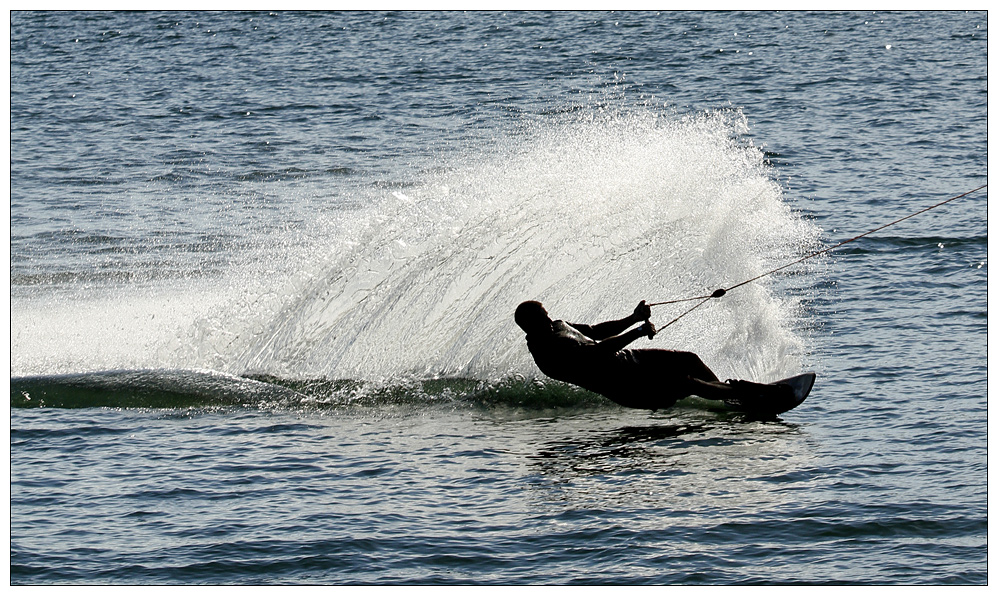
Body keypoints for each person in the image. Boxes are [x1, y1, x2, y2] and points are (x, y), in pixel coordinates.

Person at [514, 300, 793, 411]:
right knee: (684, 382)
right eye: (544, 318)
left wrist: (633, 317)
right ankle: (746, 394)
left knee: (688, 360)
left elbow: (597, 331)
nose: (550, 319)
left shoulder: (556, 326)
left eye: (548, 314)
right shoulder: (548, 352)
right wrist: (637, 331)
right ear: (532, 326)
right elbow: (597, 351)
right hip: (626, 387)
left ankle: (728, 397)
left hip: (630, 359)